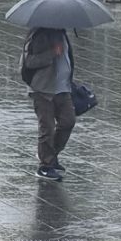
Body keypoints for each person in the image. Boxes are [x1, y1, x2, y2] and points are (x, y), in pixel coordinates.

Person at [22, 27, 76, 181]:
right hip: (43, 89)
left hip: (63, 88)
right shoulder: (39, 35)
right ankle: (45, 165)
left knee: (68, 121)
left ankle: (50, 155)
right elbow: (29, 62)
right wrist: (52, 53)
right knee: (47, 127)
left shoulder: (62, 33)